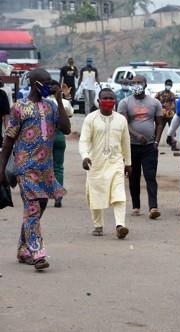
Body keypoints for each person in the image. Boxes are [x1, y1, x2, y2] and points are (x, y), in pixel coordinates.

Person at [0, 68, 71, 270]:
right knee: (32, 208)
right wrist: (1, 169)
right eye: (46, 82)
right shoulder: (19, 108)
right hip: (25, 169)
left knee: (38, 208)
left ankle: (23, 249)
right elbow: (8, 141)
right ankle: (37, 253)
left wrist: (59, 99)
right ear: (34, 83)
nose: (50, 85)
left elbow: (65, 129)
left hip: (45, 169)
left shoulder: (51, 106)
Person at [79, 88, 132, 239]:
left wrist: (128, 163)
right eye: (105, 98)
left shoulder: (121, 120)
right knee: (94, 194)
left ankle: (120, 225)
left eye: (111, 98)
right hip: (95, 163)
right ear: (98, 101)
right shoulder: (91, 119)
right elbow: (84, 140)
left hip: (115, 163)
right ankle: (98, 225)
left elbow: (125, 143)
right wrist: (85, 156)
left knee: (119, 194)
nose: (108, 101)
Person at [118, 75, 163, 219]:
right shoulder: (125, 103)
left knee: (150, 176)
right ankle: (136, 206)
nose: (136, 85)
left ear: (145, 84)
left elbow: (160, 123)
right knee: (133, 177)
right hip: (131, 146)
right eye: (134, 83)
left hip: (149, 147)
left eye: (139, 82)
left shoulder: (154, 103)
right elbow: (124, 124)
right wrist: (136, 135)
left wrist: (156, 142)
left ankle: (153, 207)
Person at [48, 80, 74, 208]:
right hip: (59, 136)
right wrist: (66, 97)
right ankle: (58, 196)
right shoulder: (65, 103)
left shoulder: (43, 102)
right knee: (58, 167)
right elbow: (70, 114)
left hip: (45, 136)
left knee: (43, 166)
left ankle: (42, 194)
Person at [155, 79, 178, 151]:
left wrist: (175, 113)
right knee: (158, 130)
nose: (169, 86)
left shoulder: (172, 95)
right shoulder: (159, 94)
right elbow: (155, 102)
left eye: (170, 85)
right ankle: (154, 145)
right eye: (167, 84)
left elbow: (175, 105)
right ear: (165, 85)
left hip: (170, 115)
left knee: (172, 130)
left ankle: (173, 145)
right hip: (161, 115)